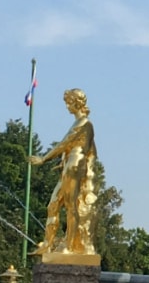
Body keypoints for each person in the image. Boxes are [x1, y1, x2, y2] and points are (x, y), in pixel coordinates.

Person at [30, 88, 99, 258]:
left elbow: (64, 143)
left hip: (75, 165)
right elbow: (89, 150)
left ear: (77, 102)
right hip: (70, 164)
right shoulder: (79, 123)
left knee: (70, 206)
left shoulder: (85, 124)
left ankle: (69, 246)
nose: (67, 106)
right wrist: (63, 161)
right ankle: (47, 244)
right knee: (53, 205)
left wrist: (43, 159)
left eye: (69, 102)